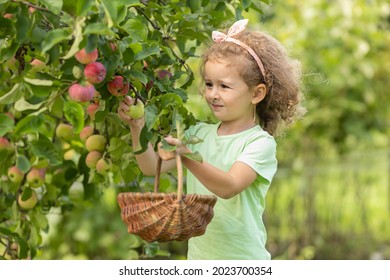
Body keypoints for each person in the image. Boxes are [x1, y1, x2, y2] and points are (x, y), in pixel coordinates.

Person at [118, 19, 305, 260]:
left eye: (224, 86)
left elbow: (228, 187)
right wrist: (137, 127)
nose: (213, 94)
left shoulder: (259, 143)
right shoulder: (198, 133)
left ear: (257, 93)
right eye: (209, 84)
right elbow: (148, 166)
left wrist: (186, 156)